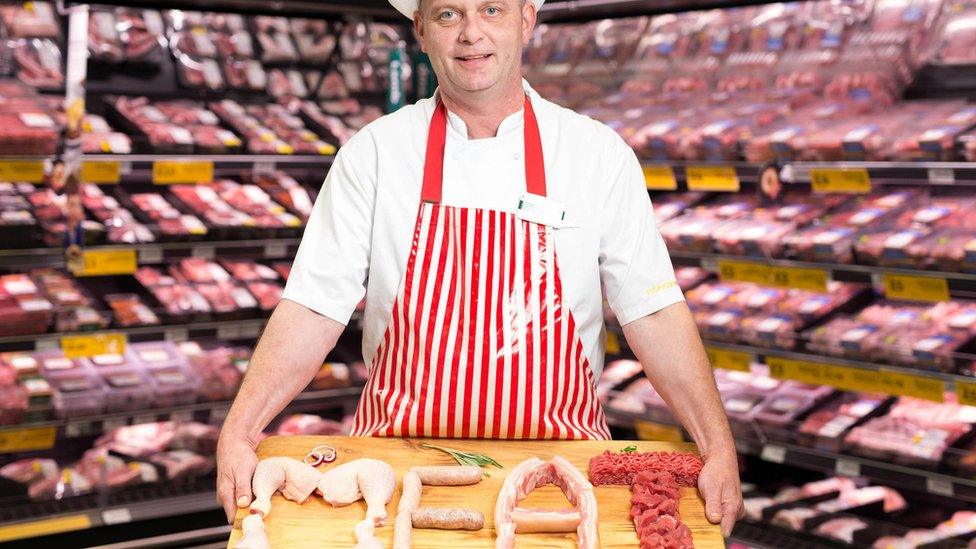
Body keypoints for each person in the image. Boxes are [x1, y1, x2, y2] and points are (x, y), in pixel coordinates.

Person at [216, 0, 744, 536]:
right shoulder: (376, 153)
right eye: (448, 14)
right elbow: (313, 306)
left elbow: (652, 311)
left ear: (526, 19)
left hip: (563, 469)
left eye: (491, 9)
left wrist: (716, 444)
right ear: (420, 29)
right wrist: (240, 430)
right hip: (400, 463)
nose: (471, 34)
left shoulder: (595, 154)